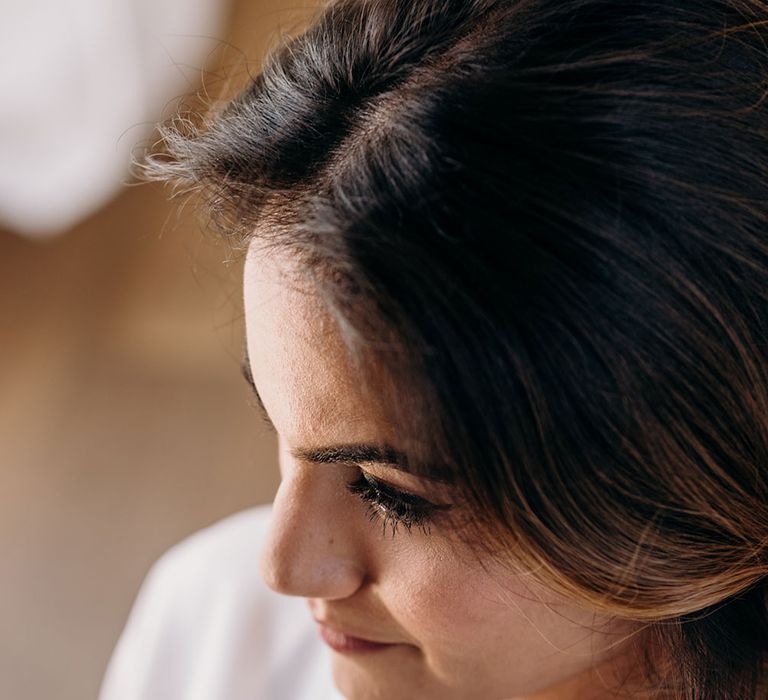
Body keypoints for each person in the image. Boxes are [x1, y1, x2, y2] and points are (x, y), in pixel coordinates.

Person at [100, 0, 768, 697]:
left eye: (390, 494)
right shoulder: (217, 630)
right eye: (280, 426)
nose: (285, 569)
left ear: (698, 496)